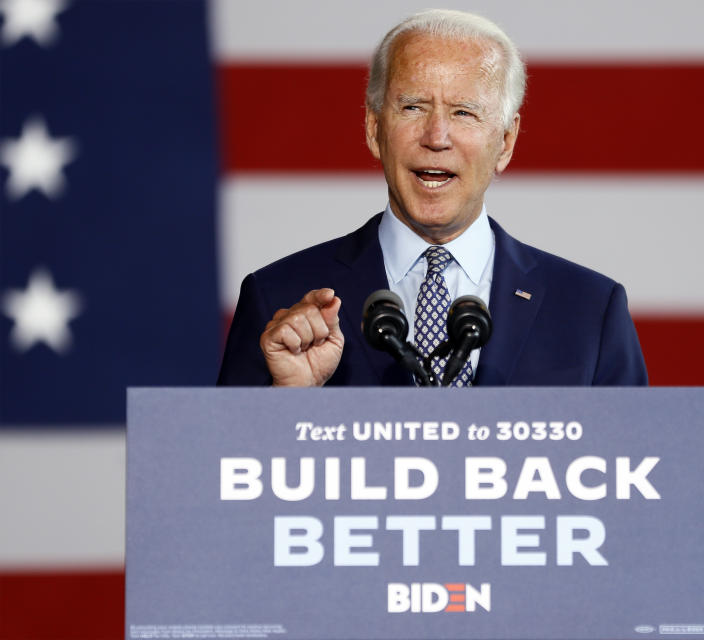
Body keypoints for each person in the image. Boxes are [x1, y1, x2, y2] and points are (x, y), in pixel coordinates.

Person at [217, 9, 647, 388]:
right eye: (413, 108)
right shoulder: (278, 297)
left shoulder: (590, 312)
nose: (437, 138)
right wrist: (288, 404)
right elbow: (223, 470)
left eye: (464, 112)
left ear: (506, 142)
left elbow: (630, 468)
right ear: (374, 130)